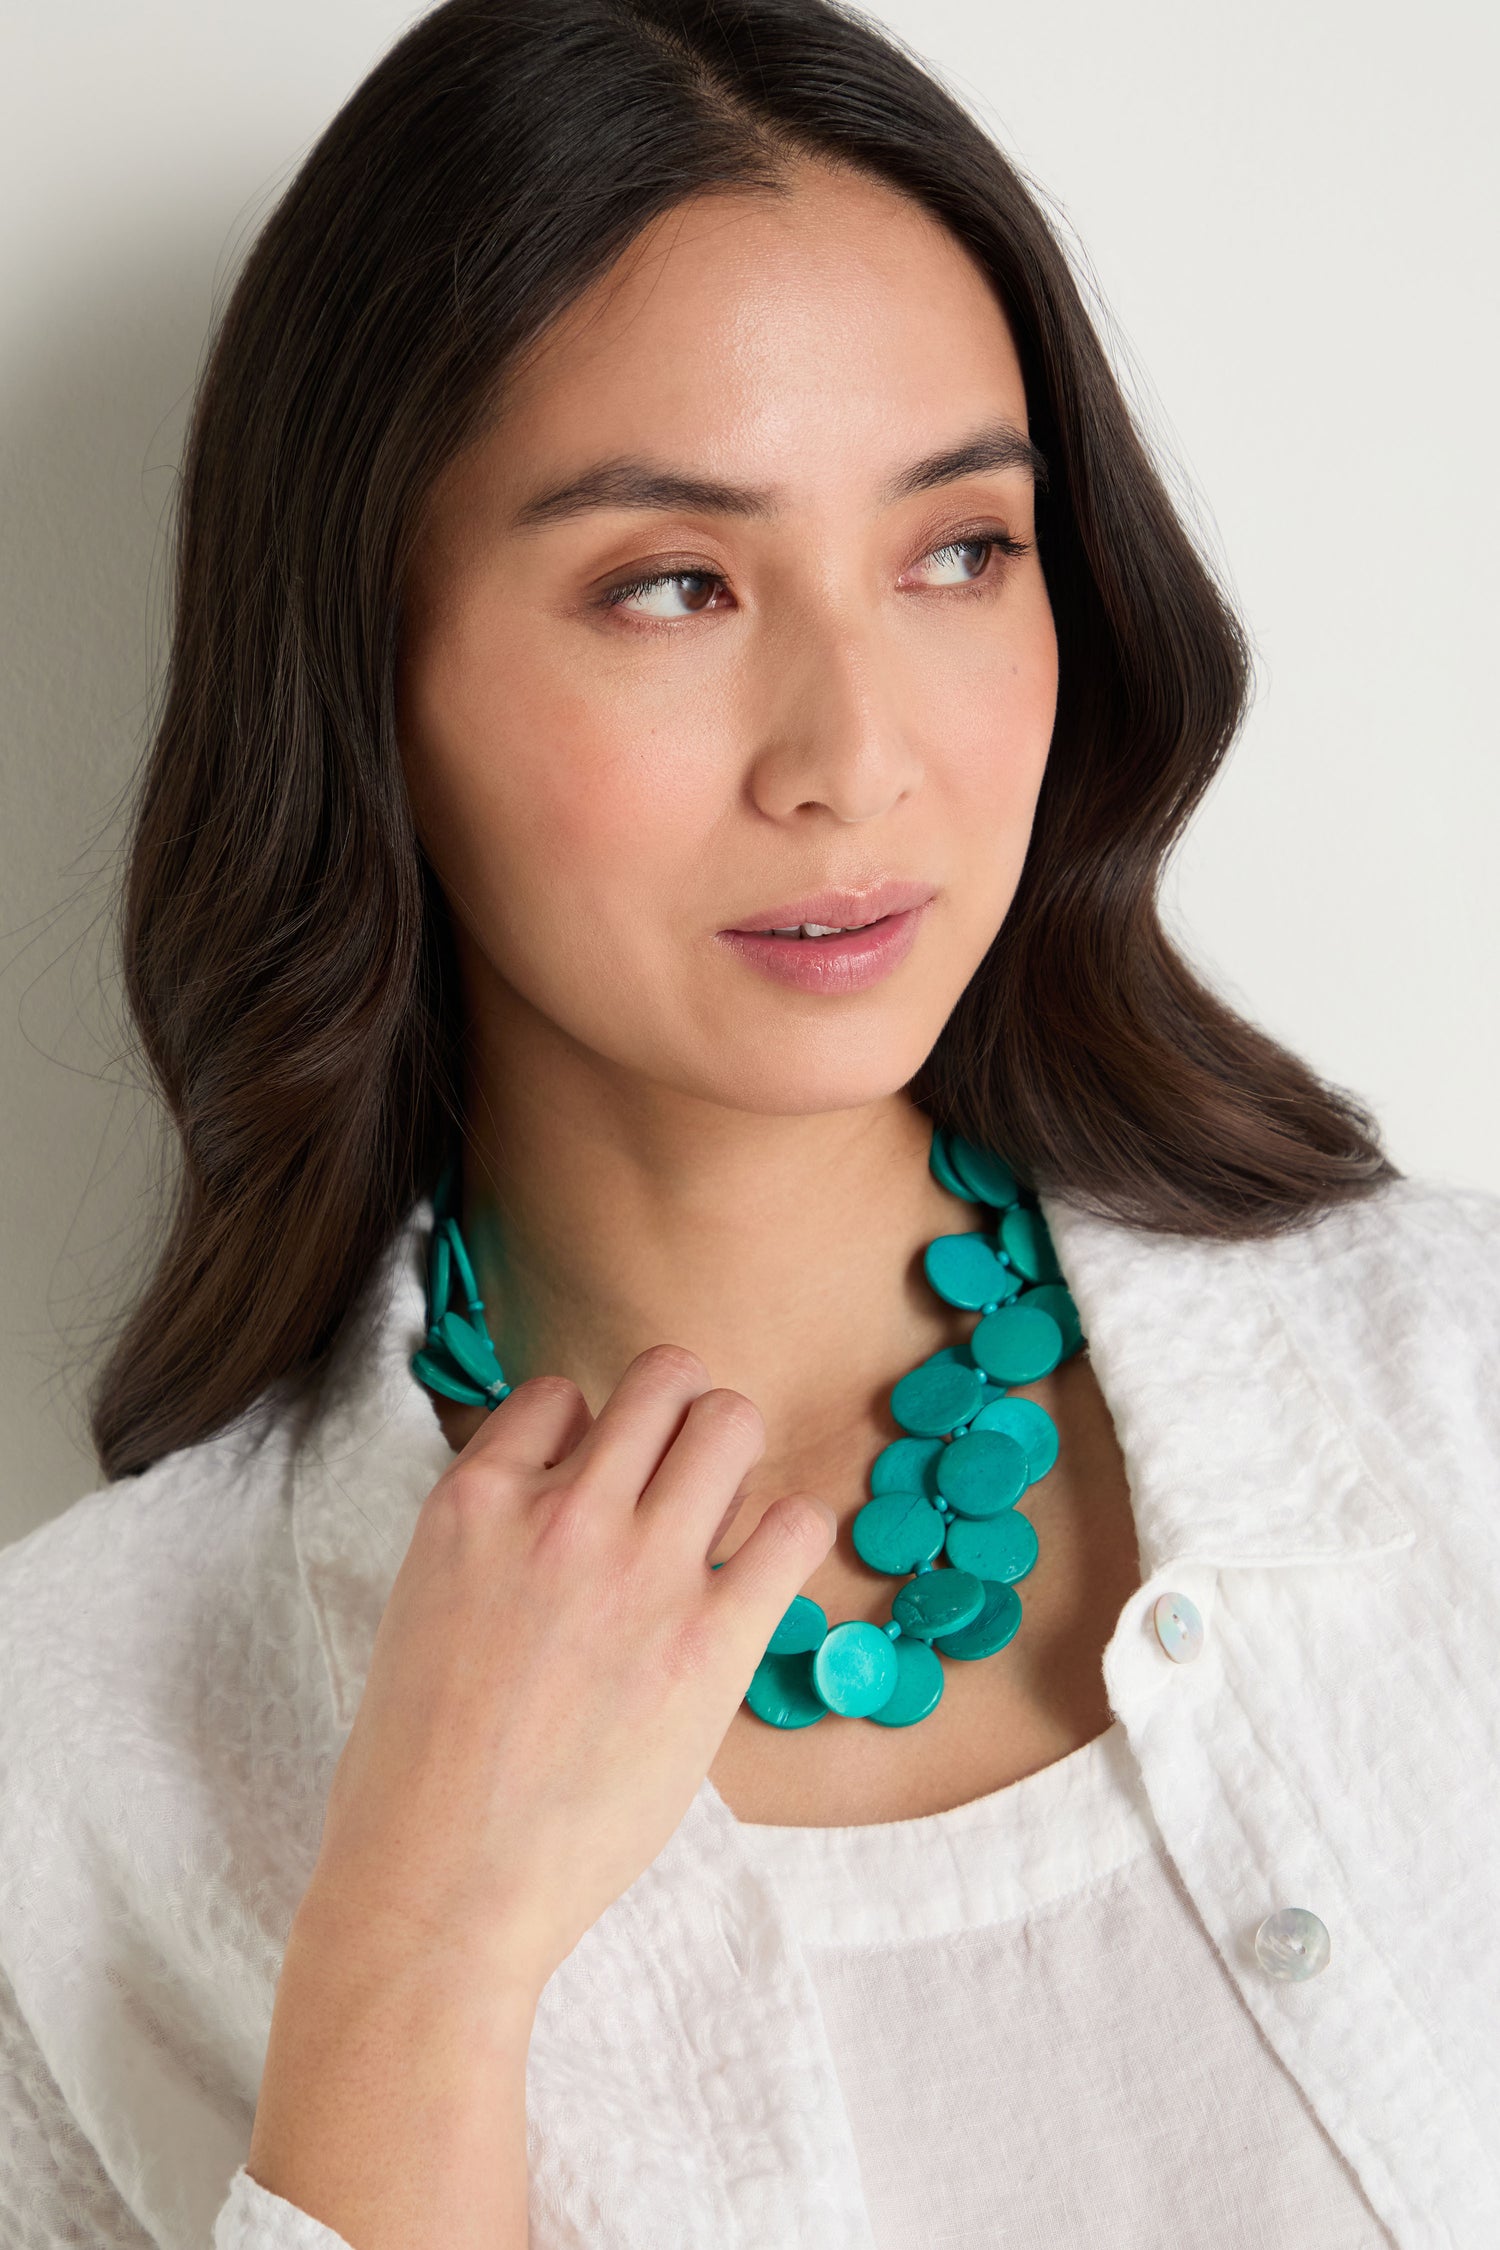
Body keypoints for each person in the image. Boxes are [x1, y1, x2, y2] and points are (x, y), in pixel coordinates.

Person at [1, 0, 1497, 2244]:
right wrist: (418, 1956)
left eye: (962, 551)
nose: (853, 752)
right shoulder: (71, 1763)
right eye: (672, 584)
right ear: (364, 672)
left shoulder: (1457, 1394)